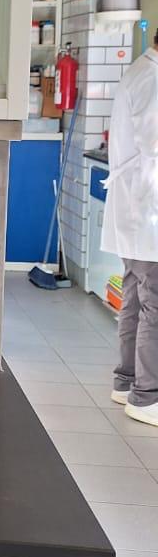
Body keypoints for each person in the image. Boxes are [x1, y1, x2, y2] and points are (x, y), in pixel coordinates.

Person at [103, 26, 158, 427]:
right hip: (147, 209)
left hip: (136, 210)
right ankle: (147, 395)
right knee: (153, 304)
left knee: (136, 300)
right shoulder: (153, 79)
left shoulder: (140, 71)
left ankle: (126, 382)